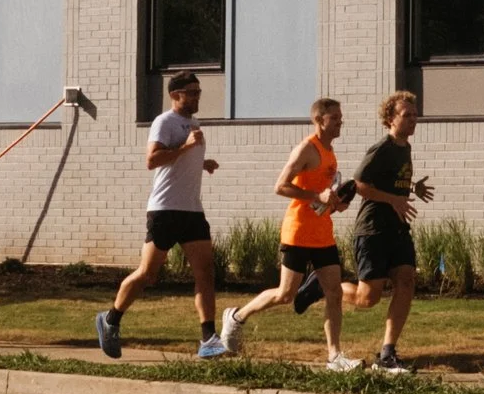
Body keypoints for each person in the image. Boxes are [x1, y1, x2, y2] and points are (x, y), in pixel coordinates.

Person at [219, 98, 357, 369]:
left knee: (334, 293)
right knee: (285, 294)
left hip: (322, 232)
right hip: (298, 232)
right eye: (335, 118)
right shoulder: (306, 149)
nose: (340, 122)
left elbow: (321, 194)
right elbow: (280, 186)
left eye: (341, 117)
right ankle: (237, 317)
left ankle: (334, 356)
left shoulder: (330, 152)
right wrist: (317, 195)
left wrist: (335, 203)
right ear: (319, 120)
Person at [96, 70, 223, 360]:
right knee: (148, 274)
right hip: (165, 209)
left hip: (191, 209)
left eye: (198, 92)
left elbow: (179, 161)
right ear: (175, 95)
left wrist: (202, 162)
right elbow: (152, 160)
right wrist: (188, 147)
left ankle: (208, 338)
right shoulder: (164, 122)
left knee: (205, 272)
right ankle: (111, 319)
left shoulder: (193, 122)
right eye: (191, 92)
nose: (197, 96)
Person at [342, 90, 434, 375]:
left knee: (406, 282)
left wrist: (411, 188)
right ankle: (325, 284)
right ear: (390, 119)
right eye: (407, 116)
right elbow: (359, 184)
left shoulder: (404, 148)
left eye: (415, 115)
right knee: (367, 299)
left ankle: (387, 353)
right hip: (372, 231)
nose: (413, 120)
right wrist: (394, 199)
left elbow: (392, 183)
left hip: (397, 229)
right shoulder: (381, 148)